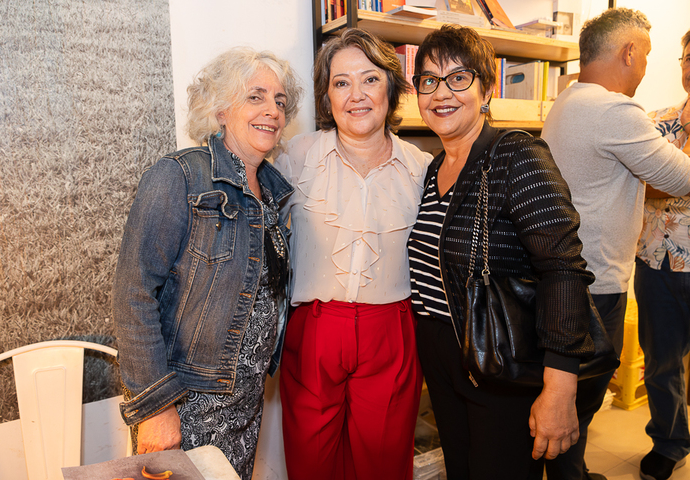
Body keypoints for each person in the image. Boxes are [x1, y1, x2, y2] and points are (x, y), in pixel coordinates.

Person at [406, 24, 597, 480]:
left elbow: (563, 268)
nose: (441, 92)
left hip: (500, 361)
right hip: (446, 362)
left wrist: (559, 385)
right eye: (428, 80)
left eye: (459, 77)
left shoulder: (516, 156)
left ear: (487, 89)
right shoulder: (434, 167)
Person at [112, 47, 302, 480]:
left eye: (279, 101)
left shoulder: (273, 193)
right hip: (186, 407)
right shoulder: (178, 177)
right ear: (220, 108)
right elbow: (133, 296)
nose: (271, 110)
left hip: (245, 404)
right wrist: (156, 408)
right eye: (255, 96)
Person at [275, 28, 432, 480]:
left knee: (383, 465)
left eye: (370, 79)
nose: (356, 95)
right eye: (342, 82)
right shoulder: (295, 157)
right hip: (314, 333)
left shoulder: (422, 168)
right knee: (310, 465)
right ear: (327, 96)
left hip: (392, 332)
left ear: (392, 87)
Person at [542, 9, 690, 480]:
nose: (646, 67)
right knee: (579, 397)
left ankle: (574, 472)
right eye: (645, 54)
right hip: (596, 279)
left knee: (572, 394)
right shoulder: (616, 111)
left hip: (568, 273)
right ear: (629, 52)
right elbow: (680, 176)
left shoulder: (568, 101)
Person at [634, 29, 690, 480]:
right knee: (660, 361)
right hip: (656, 261)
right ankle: (670, 441)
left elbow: (654, 181)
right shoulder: (655, 121)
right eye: (688, 55)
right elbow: (637, 181)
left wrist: (659, 179)